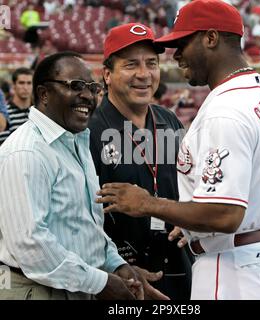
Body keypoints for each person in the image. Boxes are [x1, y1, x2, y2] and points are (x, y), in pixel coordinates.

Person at [97, 0, 260, 300]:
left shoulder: (224, 110)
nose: (176, 54)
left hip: (237, 268)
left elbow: (224, 214)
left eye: (182, 43)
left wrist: (148, 204)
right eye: (131, 64)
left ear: (211, 38)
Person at [0, 51, 166, 300]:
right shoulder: (26, 151)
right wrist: (101, 282)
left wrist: (116, 265)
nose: (88, 96)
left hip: (78, 284)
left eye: (92, 87)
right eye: (76, 86)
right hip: (36, 288)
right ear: (44, 94)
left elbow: (86, 224)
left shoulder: (77, 141)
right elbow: (30, 245)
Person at [88, 23, 192, 300]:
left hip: (178, 266)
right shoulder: (89, 131)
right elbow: (80, 215)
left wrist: (189, 217)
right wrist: (117, 267)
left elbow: (189, 181)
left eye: (152, 63)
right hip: (121, 278)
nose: (144, 74)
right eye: (131, 64)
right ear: (107, 75)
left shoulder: (168, 120)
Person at [0, 68, 33, 145]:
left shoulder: (39, 111)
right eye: (21, 83)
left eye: (29, 83)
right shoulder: (6, 114)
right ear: (13, 85)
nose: (25, 87)